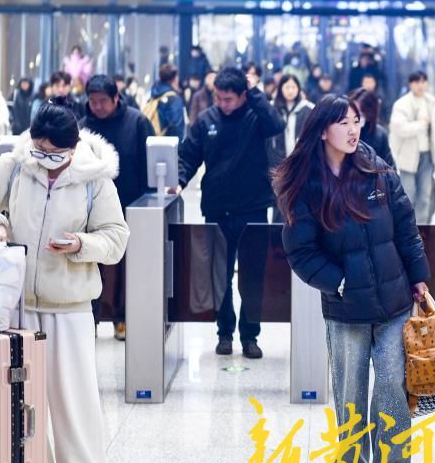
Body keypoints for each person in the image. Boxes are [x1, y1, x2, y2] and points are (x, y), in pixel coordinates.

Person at [0, 103, 129, 463]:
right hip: (18, 302)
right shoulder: (18, 164)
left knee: (73, 394)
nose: (45, 162)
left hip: (69, 305)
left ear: (73, 150)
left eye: (54, 155)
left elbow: (116, 238)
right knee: (23, 396)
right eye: (39, 150)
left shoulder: (95, 180)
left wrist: (81, 245)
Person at [276, 95, 430, 463]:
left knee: (393, 385)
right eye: (343, 122)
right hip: (346, 309)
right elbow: (301, 252)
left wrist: (419, 278)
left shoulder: (378, 172)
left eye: (356, 121)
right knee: (349, 389)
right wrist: (339, 282)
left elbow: (406, 230)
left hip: (395, 302)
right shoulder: (305, 186)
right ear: (322, 130)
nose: (353, 129)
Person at [176, 67, 286, 359]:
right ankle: (224, 333)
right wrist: (178, 181)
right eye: (219, 98)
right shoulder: (206, 120)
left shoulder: (256, 116)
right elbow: (189, 156)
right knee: (219, 277)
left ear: (243, 96)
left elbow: (277, 124)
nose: (222, 104)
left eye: (229, 99)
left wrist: (256, 94)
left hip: (252, 208)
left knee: (252, 276)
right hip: (217, 208)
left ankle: (250, 336)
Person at [81, 75, 155, 340]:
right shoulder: (82, 128)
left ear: (115, 99)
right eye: (93, 101)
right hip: (91, 211)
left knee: (126, 269)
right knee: (92, 265)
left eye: (103, 101)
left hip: (129, 206)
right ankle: (92, 318)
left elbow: (149, 165)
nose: (97, 106)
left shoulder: (137, 123)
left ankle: (121, 318)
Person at [389, 71, 435, 223]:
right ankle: (407, 231)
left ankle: (422, 230)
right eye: (417, 82)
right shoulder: (401, 104)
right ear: (411, 84)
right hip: (408, 157)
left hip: (427, 155)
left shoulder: (431, 102)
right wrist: (420, 125)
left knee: (425, 196)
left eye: (424, 81)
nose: (421, 85)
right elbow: (398, 128)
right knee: (408, 196)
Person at [268, 74, 314, 167]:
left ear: (299, 89)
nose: (290, 91)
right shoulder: (272, 107)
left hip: (301, 160)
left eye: (293, 87)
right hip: (277, 161)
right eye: (287, 87)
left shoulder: (308, 108)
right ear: (280, 88)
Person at [350, 88, 395, 168]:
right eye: (354, 111)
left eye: (361, 112)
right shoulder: (345, 131)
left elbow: (389, 165)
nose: (357, 116)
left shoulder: (380, 134)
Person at [145, 64, 186, 140]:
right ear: (175, 79)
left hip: (152, 143)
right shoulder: (174, 99)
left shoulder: (153, 96)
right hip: (168, 145)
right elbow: (177, 127)